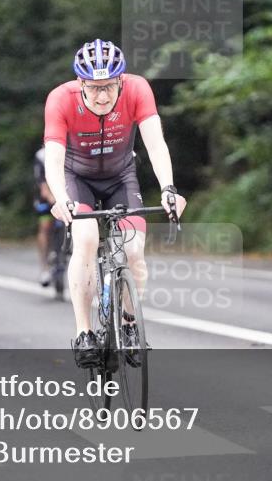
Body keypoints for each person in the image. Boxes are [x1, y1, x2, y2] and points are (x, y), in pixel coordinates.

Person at [43, 38, 186, 368]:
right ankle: (84, 333)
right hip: (77, 179)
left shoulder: (137, 90)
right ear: (80, 83)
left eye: (109, 86)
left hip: (121, 177)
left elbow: (155, 143)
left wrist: (168, 189)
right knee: (87, 239)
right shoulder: (60, 100)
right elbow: (53, 159)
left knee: (134, 250)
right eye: (94, 88)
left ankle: (130, 325)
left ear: (121, 80)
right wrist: (61, 198)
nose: (103, 96)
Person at [33, 145, 57, 286]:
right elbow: (42, 184)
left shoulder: (70, 150)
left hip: (65, 195)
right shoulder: (41, 155)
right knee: (45, 227)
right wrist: (52, 198)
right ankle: (45, 267)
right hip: (46, 197)